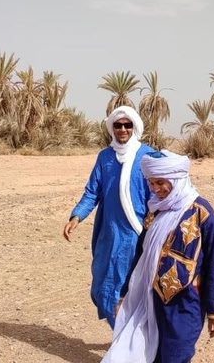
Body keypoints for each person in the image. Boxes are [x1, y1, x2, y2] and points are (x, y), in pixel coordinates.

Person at [102, 150, 214, 363]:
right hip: (151, 299)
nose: (155, 189)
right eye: (151, 183)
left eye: (160, 183)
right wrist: (125, 295)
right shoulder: (155, 211)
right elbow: (140, 256)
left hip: (185, 303)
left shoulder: (202, 214)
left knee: (177, 355)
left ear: (176, 179)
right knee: (152, 355)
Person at [63, 106, 155, 328]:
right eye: (118, 125)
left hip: (136, 234)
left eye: (127, 125)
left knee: (123, 287)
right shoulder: (105, 157)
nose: (122, 129)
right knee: (101, 286)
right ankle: (125, 335)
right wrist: (76, 217)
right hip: (108, 231)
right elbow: (92, 191)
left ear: (134, 127)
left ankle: (126, 338)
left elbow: (158, 192)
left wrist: (153, 216)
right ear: (111, 128)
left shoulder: (148, 156)